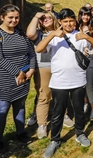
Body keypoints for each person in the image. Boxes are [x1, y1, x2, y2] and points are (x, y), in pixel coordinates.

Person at [35, 8, 93, 158]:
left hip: (78, 80)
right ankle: (55, 140)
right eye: (65, 21)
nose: (69, 24)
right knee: (58, 113)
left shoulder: (80, 36)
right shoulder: (53, 36)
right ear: (60, 22)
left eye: (71, 20)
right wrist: (52, 34)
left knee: (78, 110)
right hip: (59, 82)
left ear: (75, 21)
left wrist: (87, 37)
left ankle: (80, 133)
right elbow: (39, 49)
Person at [0, 4, 36, 154]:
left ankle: (20, 132)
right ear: (2, 17)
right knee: (2, 110)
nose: (14, 20)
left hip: (23, 80)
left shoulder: (21, 33)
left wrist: (31, 69)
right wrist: (18, 72)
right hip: (3, 81)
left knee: (20, 106)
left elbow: (31, 53)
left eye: (16, 17)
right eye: (10, 17)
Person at [26, 11, 61, 139]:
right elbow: (29, 34)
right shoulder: (39, 34)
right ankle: (42, 124)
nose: (45, 19)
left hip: (60, 67)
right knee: (43, 95)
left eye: (48, 17)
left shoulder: (60, 31)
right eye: (43, 18)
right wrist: (36, 16)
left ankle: (66, 115)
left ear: (54, 18)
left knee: (61, 94)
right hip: (43, 67)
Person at [77, 7, 93, 121]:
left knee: (90, 85)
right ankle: (85, 103)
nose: (85, 17)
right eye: (83, 15)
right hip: (77, 58)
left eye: (87, 15)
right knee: (81, 84)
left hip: (90, 57)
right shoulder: (76, 26)